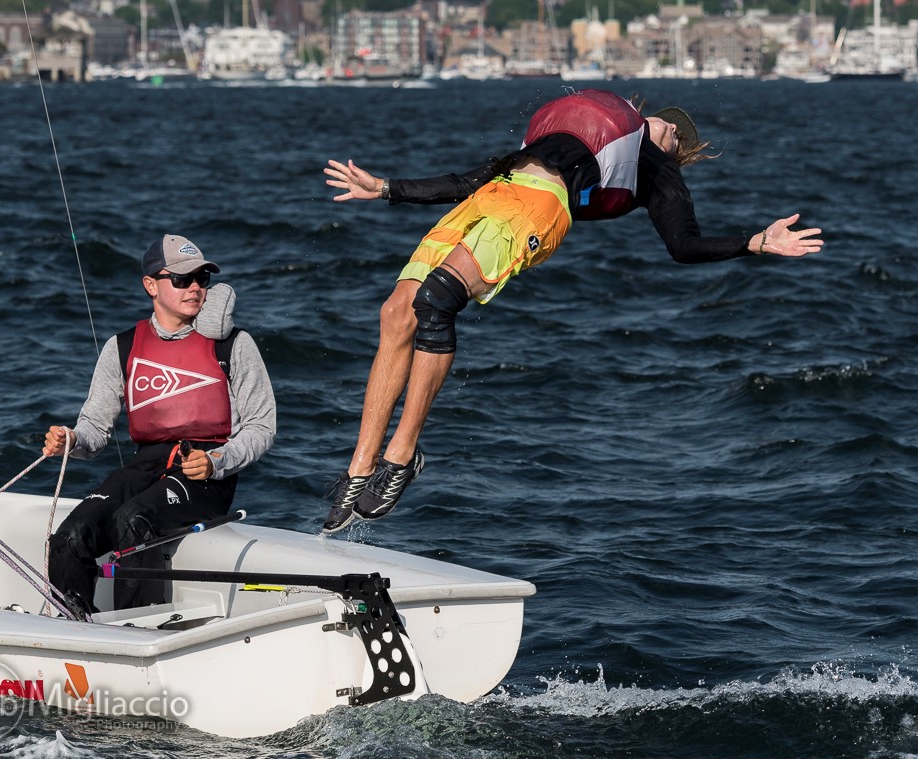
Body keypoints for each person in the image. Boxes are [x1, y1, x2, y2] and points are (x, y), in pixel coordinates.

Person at [319, 88, 823, 534]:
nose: (672, 125)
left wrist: (755, 242)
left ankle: (402, 456)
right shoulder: (581, 129)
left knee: (436, 301)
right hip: (494, 194)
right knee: (396, 312)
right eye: (669, 120)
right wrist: (388, 189)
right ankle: (360, 468)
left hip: (537, 210)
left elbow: (684, 246)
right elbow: (472, 177)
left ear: (675, 152)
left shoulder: (655, 169)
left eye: (677, 135)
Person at [43, 234, 276, 618]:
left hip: (204, 473)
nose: (196, 288)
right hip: (145, 465)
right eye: (182, 280)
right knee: (71, 536)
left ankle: (140, 630)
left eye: (202, 278)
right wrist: (71, 439)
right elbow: (95, 430)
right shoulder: (122, 346)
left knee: (134, 520)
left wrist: (218, 459)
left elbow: (261, 426)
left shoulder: (233, 345)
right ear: (151, 285)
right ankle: (72, 626)